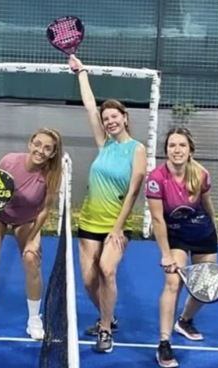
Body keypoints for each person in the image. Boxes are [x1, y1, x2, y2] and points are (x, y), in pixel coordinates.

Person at [69, 55, 147, 353]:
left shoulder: (137, 149)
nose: (110, 121)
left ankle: (104, 331)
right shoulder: (104, 144)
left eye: (115, 116)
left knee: (106, 270)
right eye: (106, 118)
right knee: (89, 280)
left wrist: (117, 228)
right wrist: (81, 72)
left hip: (116, 224)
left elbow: (133, 192)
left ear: (125, 118)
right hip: (89, 221)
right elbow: (90, 105)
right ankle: (108, 317)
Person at [0, 128, 63, 340]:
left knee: (31, 259)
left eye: (47, 148)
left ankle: (34, 320)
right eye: (37, 144)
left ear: (53, 153)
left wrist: (32, 239)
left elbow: (44, 210)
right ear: (30, 143)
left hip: (27, 219)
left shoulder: (51, 175)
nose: (41, 151)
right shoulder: (10, 161)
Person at [146, 127, 218, 368]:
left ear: (190, 150)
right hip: (175, 236)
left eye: (182, 145)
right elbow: (158, 219)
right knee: (173, 282)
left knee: (204, 288)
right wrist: (166, 254)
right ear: (166, 150)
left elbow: (207, 204)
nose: (177, 150)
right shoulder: (156, 179)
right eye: (172, 145)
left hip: (202, 233)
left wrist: (214, 229)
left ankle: (185, 320)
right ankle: (164, 342)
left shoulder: (201, 174)